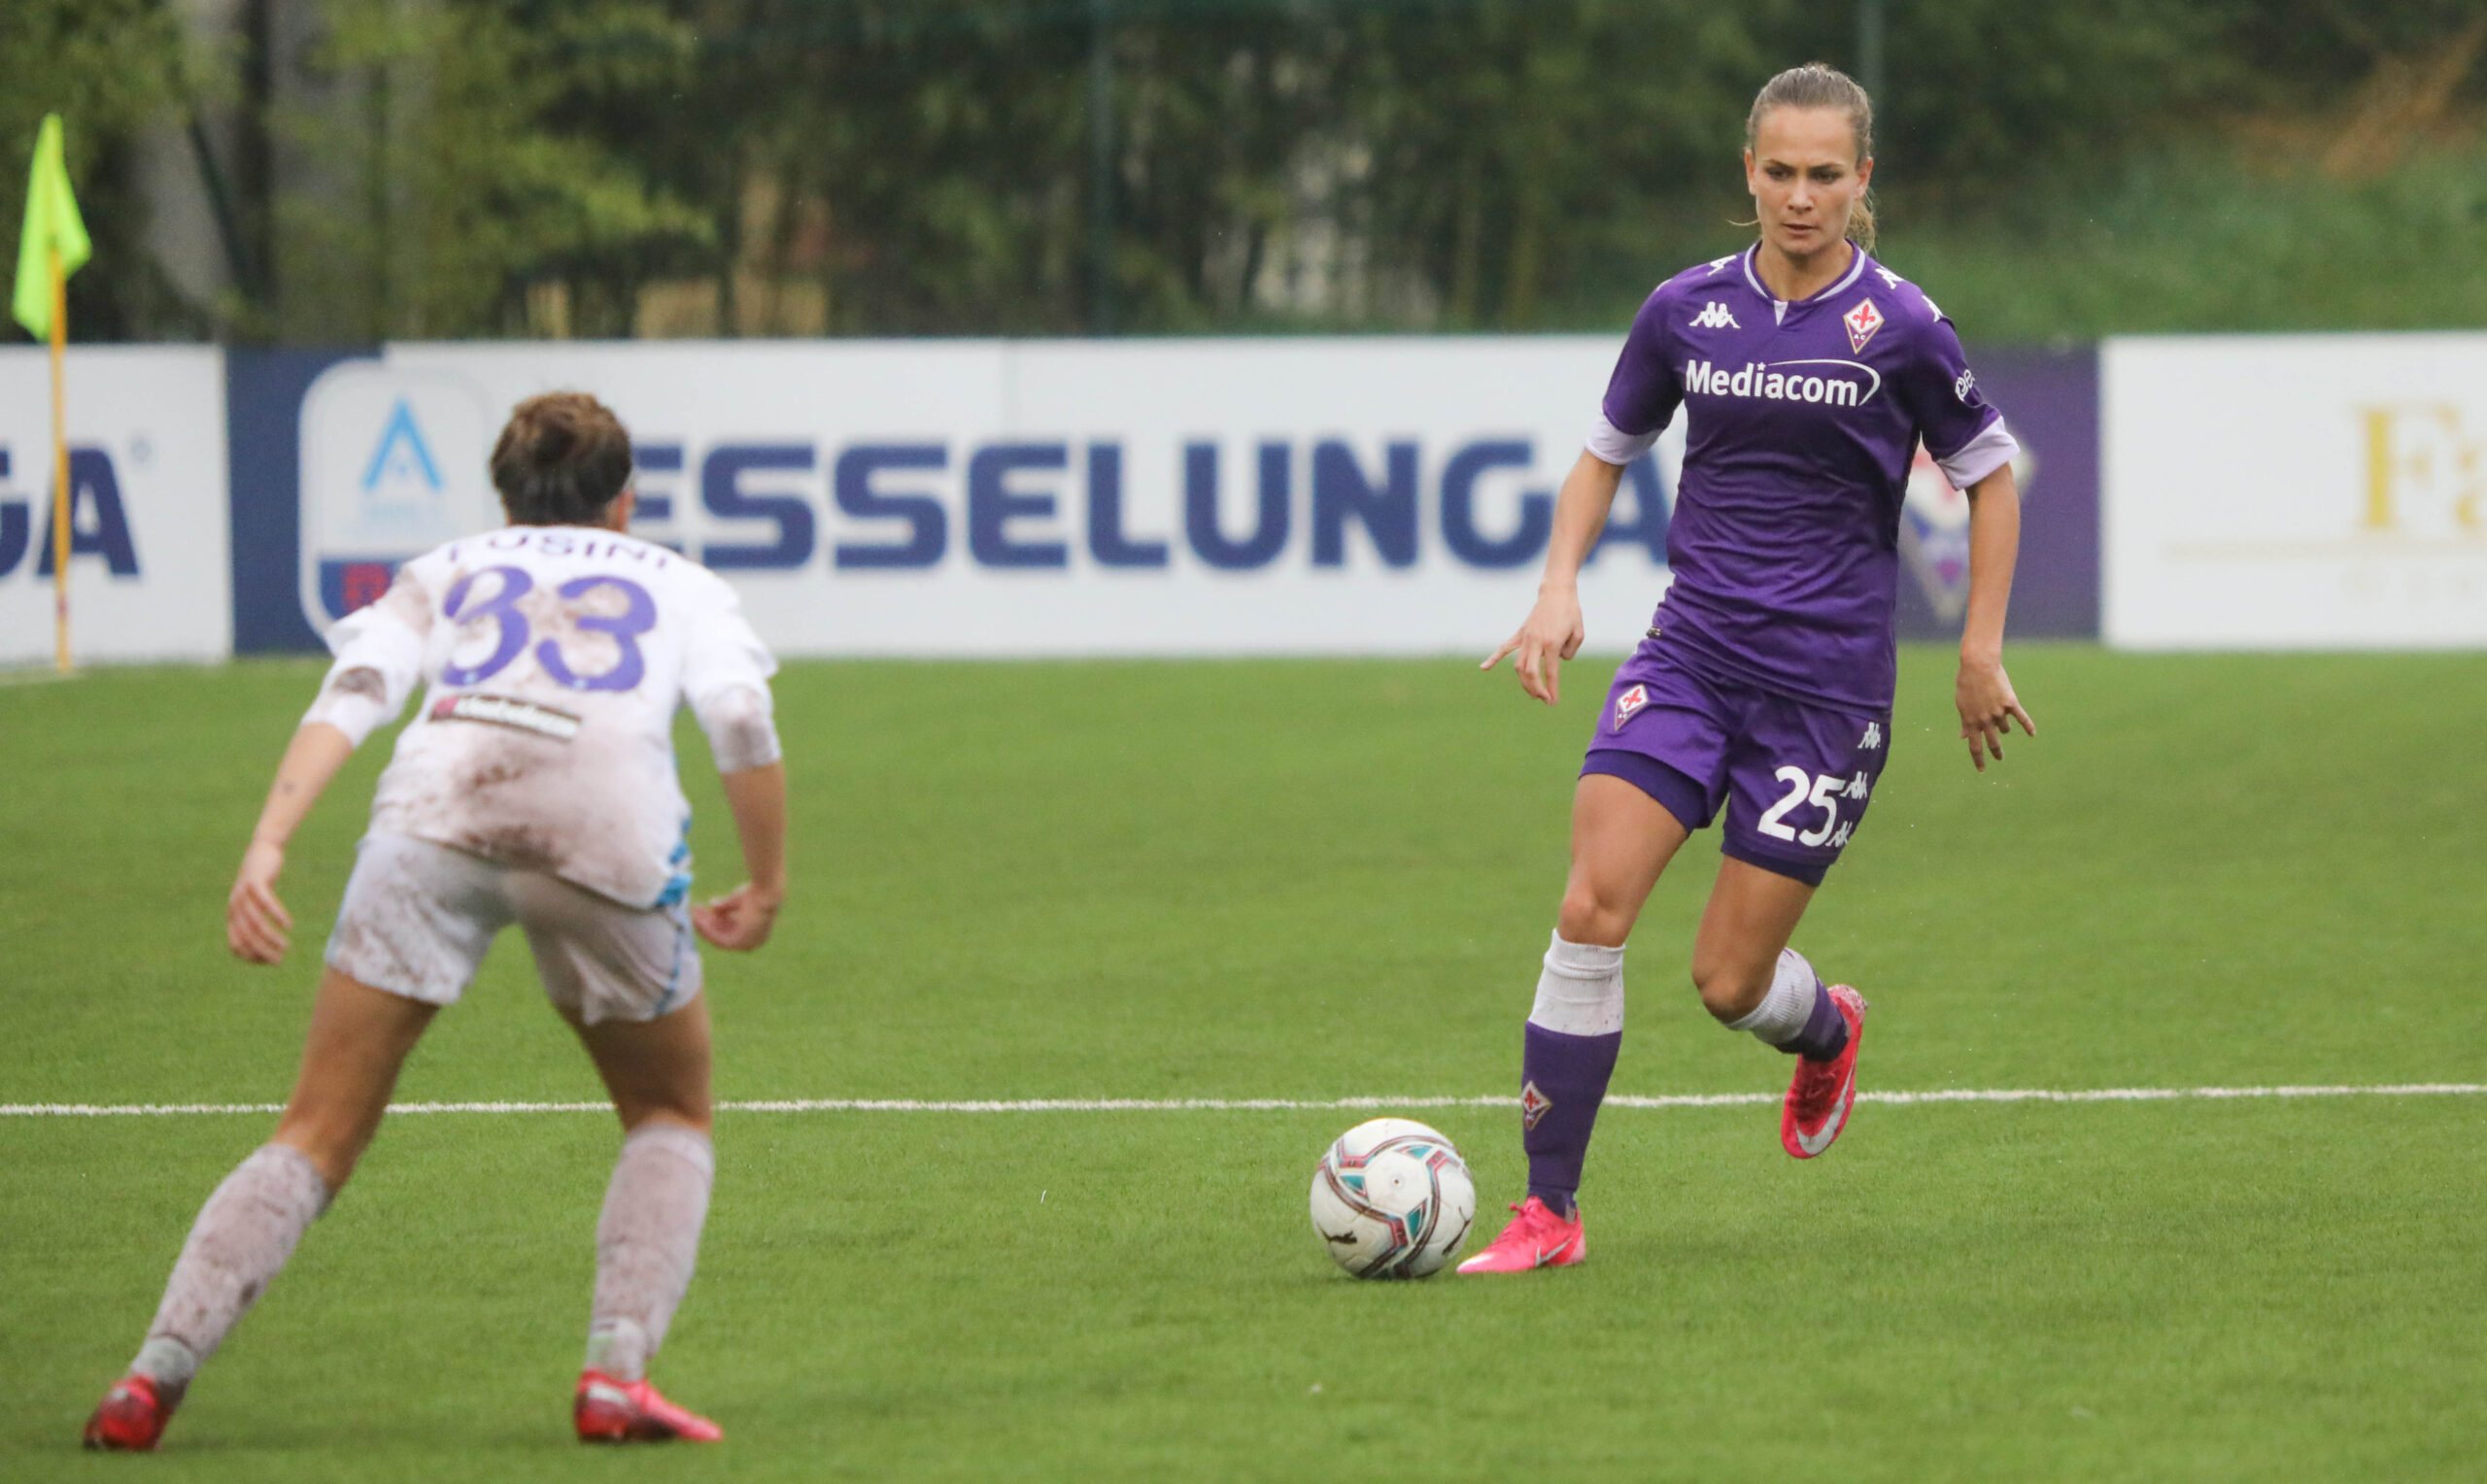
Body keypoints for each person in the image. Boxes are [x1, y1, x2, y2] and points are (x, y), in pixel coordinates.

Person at [83, 392, 789, 1445]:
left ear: (505, 500)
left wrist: (270, 841)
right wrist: (765, 881)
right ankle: (614, 1377)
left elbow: (355, 689)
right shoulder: (683, 583)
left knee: (314, 1131)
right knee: (668, 1112)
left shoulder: (447, 568)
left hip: (434, 816)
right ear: (626, 501)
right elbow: (737, 714)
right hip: (600, 830)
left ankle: (150, 1378)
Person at [1461, 63, 2034, 1274]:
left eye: (1825, 174)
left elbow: (1989, 476)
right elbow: (1602, 453)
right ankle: (1548, 1211)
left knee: (1727, 982)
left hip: (1824, 694)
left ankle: (1824, 1028)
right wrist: (1558, 585)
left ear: (1862, 179)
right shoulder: (1685, 310)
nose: (1800, 196)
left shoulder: (1903, 327)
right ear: (1748, 172)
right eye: (1779, 171)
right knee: (1590, 906)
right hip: (1691, 656)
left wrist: (1978, 648)